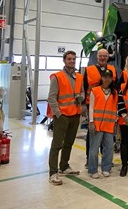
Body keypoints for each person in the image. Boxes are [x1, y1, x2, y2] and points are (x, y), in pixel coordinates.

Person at [48, 50, 84, 186]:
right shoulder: (57, 77)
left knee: (69, 143)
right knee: (57, 145)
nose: (72, 61)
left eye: (73, 59)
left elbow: (82, 93)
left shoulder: (79, 77)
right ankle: (52, 172)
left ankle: (64, 167)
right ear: (64, 60)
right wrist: (58, 113)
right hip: (62, 116)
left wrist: (81, 97)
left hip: (75, 114)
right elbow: (51, 97)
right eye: (69, 59)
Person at [83, 49, 117, 167]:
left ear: (108, 57)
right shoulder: (89, 69)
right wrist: (83, 105)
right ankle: (90, 159)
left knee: (106, 132)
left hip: (107, 103)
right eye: (100, 56)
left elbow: (115, 86)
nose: (103, 58)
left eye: (105, 56)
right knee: (92, 132)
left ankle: (105, 159)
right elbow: (84, 86)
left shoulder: (112, 69)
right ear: (97, 57)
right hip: (92, 103)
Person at [88, 69, 118, 179]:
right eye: (105, 77)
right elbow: (91, 107)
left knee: (109, 148)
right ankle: (93, 170)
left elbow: (116, 109)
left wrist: (115, 122)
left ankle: (106, 168)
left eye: (109, 77)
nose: (107, 79)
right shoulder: (95, 90)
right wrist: (91, 121)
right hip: (97, 124)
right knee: (94, 149)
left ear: (112, 79)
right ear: (102, 78)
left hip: (109, 125)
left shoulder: (115, 93)